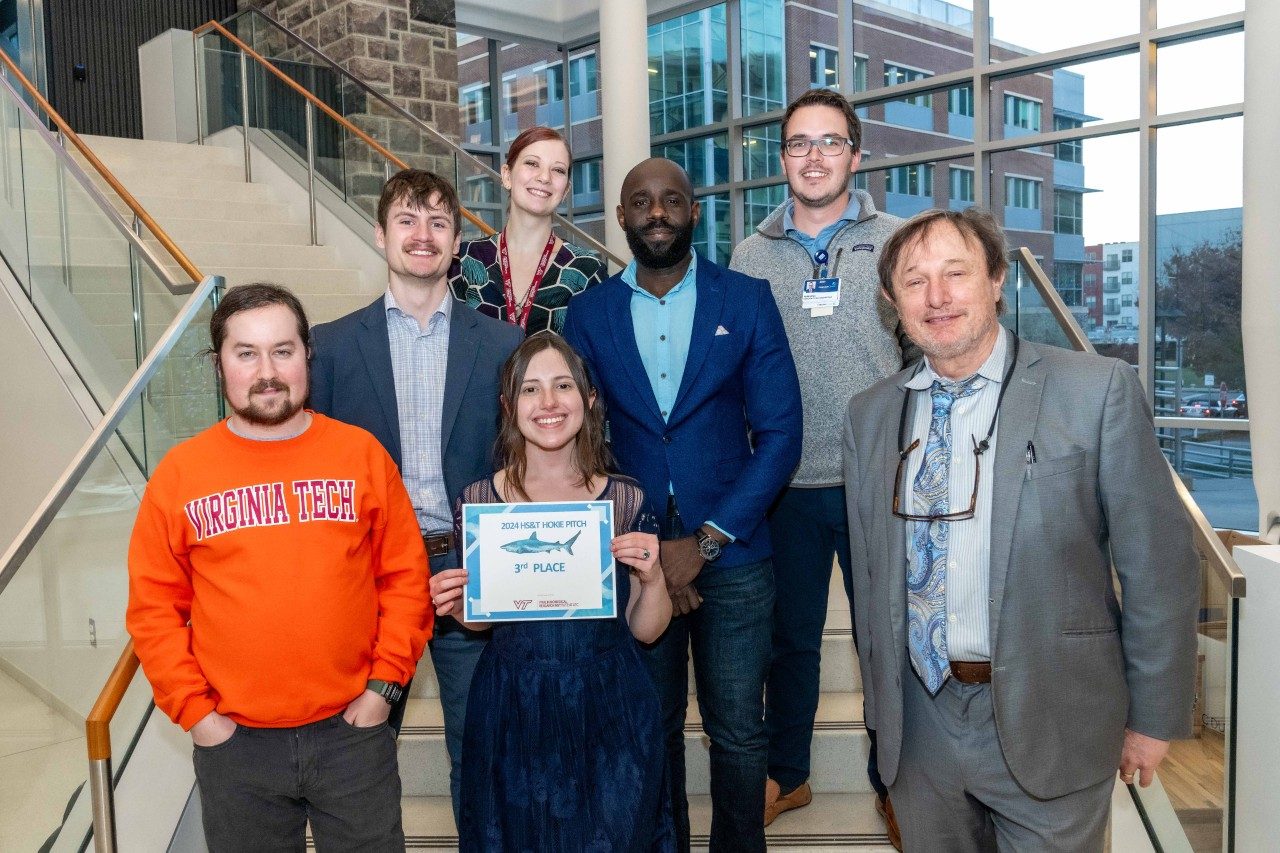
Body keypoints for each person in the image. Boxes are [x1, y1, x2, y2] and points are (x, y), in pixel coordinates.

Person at [843, 207, 1199, 851]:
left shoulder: (1097, 392)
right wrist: (880, 717)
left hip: (1053, 714)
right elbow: (870, 579)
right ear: (893, 300)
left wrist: (1153, 715)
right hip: (920, 727)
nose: (938, 296)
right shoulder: (870, 416)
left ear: (997, 280)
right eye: (915, 281)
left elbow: (1158, 566)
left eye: (956, 273)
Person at [126, 283, 431, 851]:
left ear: (306, 356)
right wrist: (199, 717)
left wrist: (383, 689)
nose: (267, 371)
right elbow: (153, 611)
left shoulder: (361, 455)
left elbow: (405, 581)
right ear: (219, 365)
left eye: (283, 351)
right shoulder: (180, 475)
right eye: (246, 353)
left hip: (352, 734)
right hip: (236, 746)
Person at [563, 157, 803, 853]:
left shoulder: (747, 298)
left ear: (695, 211)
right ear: (622, 217)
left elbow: (781, 436)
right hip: (636, 558)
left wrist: (700, 545)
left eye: (672, 199)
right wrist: (651, 548)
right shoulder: (590, 312)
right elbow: (584, 439)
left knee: (735, 730)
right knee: (651, 724)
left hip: (734, 552)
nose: (657, 211)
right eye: (642, 201)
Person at [309, 169, 522, 823]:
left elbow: (527, 460)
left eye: (438, 222)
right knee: (360, 757)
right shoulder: (330, 347)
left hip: (470, 566)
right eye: (407, 219)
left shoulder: (504, 346)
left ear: (457, 241)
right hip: (372, 576)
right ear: (380, 234)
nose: (422, 235)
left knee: (483, 755)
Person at [729, 87, 909, 841]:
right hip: (786, 483)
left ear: (855, 155)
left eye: (829, 142)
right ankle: (789, 775)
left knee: (887, 639)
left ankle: (895, 780)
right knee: (790, 641)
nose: (814, 156)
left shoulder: (897, 239)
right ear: (782, 160)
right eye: (799, 143)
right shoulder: (750, 253)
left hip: (882, 480)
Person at [429, 333, 675, 851]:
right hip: (512, 705)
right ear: (508, 405)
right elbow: (482, 623)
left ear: (587, 399)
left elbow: (647, 630)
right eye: (530, 389)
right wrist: (456, 605)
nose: (547, 404)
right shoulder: (478, 501)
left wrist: (652, 578)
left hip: (610, 704)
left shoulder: (625, 498)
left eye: (562, 385)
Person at [451, 126, 607, 335]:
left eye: (558, 170)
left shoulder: (587, 271)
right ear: (507, 175)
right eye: (532, 163)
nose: (544, 177)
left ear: (566, 190)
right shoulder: (463, 259)